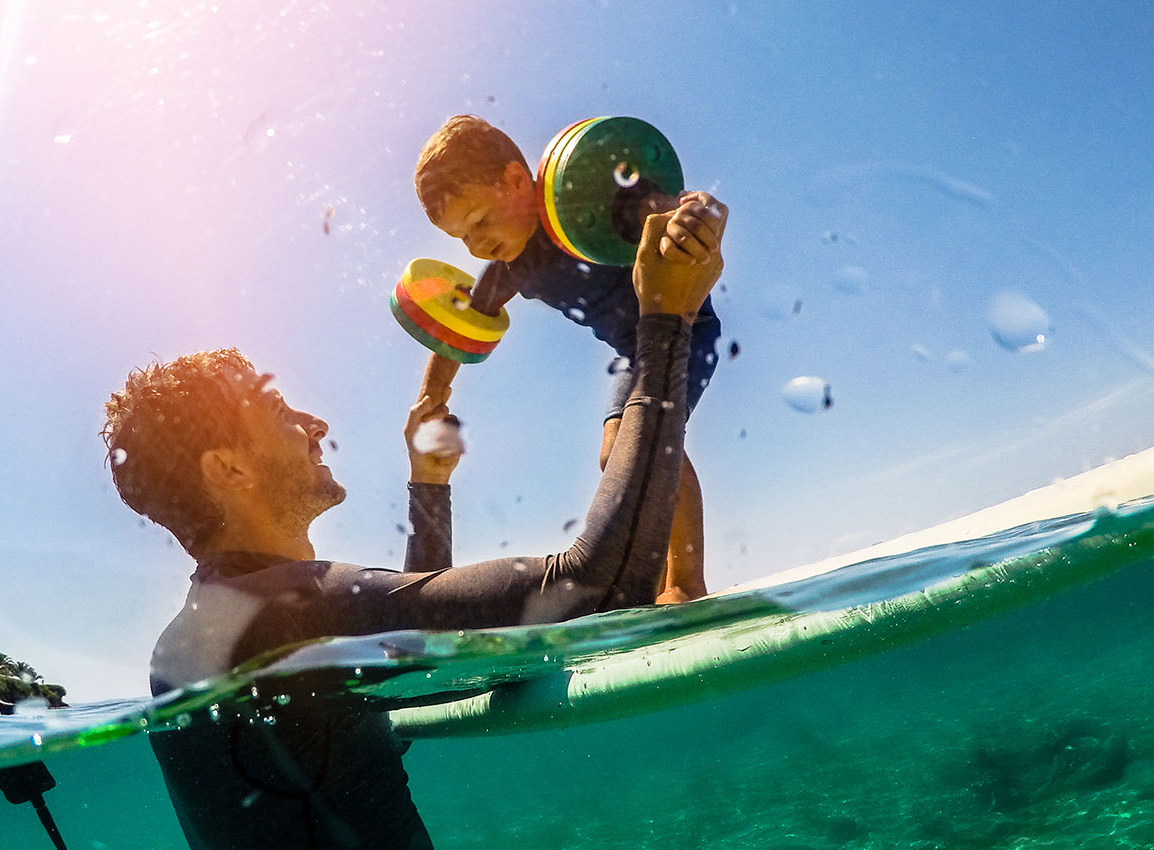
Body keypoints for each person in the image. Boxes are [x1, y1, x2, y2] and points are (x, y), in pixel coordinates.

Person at [103, 203, 726, 850]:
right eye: (276, 408)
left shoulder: (217, 628)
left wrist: (429, 485)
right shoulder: (277, 615)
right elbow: (596, 588)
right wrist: (663, 322)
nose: (314, 423)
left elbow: (407, 640)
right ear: (229, 468)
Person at [412, 114, 728, 604]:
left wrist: (692, 211)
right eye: (462, 238)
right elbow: (461, 328)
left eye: (479, 222)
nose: (475, 244)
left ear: (516, 181)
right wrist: (433, 394)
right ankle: (658, 583)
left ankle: (686, 580)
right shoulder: (511, 263)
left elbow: (658, 205)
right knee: (613, 455)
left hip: (685, 327)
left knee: (643, 440)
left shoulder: (592, 199)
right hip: (634, 350)